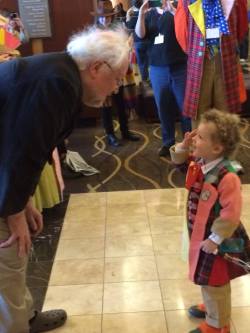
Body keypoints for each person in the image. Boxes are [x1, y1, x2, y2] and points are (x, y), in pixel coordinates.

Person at [0, 27, 130, 333]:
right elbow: (20, 153)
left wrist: (25, 199)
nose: (117, 88)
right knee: (8, 254)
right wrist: (14, 211)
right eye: (118, 77)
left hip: (6, 169)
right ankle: (15, 325)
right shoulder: (56, 82)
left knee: (13, 256)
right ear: (97, 67)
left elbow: (34, 147)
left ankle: (25, 316)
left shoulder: (61, 74)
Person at [170, 109, 250, 333]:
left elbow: (231, 213)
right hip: (201, 234)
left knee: (217, 282)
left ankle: (218, 325)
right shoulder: (202, 162)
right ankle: (213, 308)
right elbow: (179, 165)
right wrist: (184, 147)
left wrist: (215, 239)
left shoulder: (228, 176)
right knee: (207, 278)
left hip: (219, 242)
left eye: (200, 137)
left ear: (217, 148)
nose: (194, 138)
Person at [174, 0, 248, 121]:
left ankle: (223, 140)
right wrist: (195, 52)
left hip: (225, 62)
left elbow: (241, 28)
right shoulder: (186, 1)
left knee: (226, 116)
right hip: (199, 64)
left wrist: (228, 47)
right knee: (199, 114)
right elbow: (182, 32)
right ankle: (200, 139)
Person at [135, 0, 192, 156]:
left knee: (185, 107)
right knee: (163, 107)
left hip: (180, 65)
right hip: (157, 68)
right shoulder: (149, 13)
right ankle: (168, 142)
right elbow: (140, 34)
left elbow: (190, 28)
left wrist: (174, 11)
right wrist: (140, 14)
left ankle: (190, 142)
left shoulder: (180, 7)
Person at [91, 0, 140, 147]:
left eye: (108, 16)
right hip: (103, 74)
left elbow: (124, 46)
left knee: (121, 104)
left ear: (112, 16)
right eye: (103, 17)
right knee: (106, 106)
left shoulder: (118, 28)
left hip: (119, 73)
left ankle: (125, 132)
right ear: (98, 17)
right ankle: (110, 135)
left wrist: (127, 45)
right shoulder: (94, 31)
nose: (105, 19)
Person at [126, 0, 150, 83]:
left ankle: (144, 80)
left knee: (141, 63)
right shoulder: (147, 14)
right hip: (148, 41)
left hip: (138, 43)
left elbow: (129, 28)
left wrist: (127, 16)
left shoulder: (132, 16)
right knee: (149, 62)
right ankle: (150, 79)